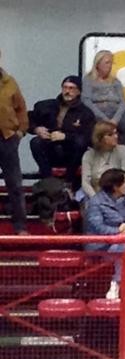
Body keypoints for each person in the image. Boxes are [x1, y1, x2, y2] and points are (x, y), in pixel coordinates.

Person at [83, 168, 125, 306]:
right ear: (116, 186)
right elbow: (98, 228)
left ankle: (116, 282)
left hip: (122, 244)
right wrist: (119, 232)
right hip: (100, 246)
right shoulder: (96, 202)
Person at [29, 76, 95, 180]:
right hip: (50, 148)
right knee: (35, 142)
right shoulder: (46, 105)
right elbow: (29, 119)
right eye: (65, 87)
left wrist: (65, 136)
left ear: (79, 92)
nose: (67, 91)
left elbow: (88, 137)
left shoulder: (85, 113)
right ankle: (48, 180)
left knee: (80, 142)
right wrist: (36, 129)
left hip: (71, 152)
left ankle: (68, 181)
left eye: (71, 88)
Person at [0, 50, 28, 235]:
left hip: (7, 137)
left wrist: (20, 132)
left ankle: (20, 227)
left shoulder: (9, 82)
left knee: (15, 185)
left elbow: (21, 108)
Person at [83, 50, 125, 144]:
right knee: (92, 125)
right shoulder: (88, 80)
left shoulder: (115, 81)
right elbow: (87, 101)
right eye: (107, 62)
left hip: (115, 112)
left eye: (111, 63)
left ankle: (118, 148)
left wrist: (115, 119)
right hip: (96, 112)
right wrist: (104, 119)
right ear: (98, 64)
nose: (110, 66)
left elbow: (123, 102)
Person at [81, 121, 125, 203]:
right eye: (110, 135)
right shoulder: (89, 155)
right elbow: (85, 182)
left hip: (118, 194)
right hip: (95, 194)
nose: (116, 136)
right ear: (100, 138)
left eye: (116, 133)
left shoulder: (123, 151)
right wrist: (96, 199)